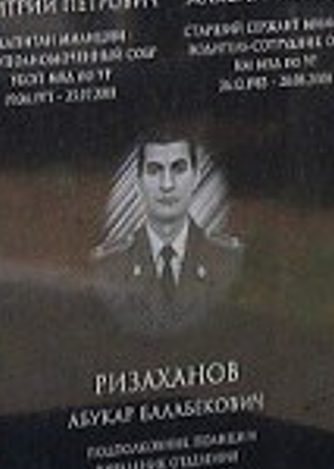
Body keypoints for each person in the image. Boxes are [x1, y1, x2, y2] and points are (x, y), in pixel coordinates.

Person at [93, 130, 243, 337]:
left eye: (179, 169)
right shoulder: (112, 260)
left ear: (195, 178)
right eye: (154, 170)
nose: (167, 184)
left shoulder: (224, 256)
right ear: (139, 181)